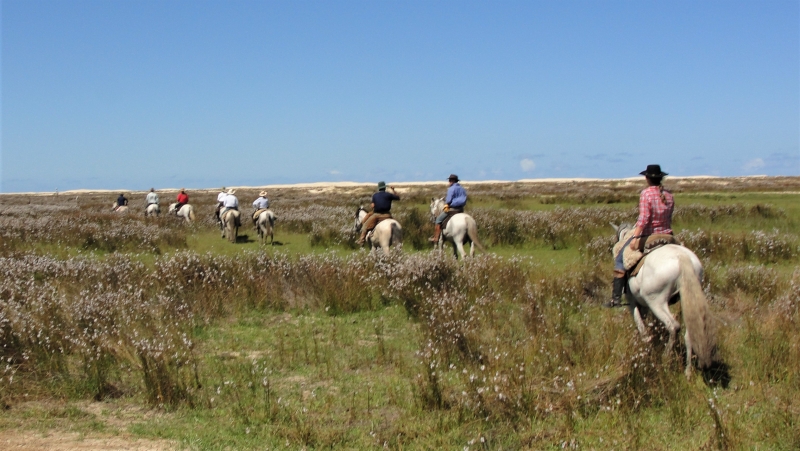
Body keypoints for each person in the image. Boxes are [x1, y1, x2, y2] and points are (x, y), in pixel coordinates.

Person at [604, 164, 674, 308]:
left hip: (649, 235)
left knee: (620, 258)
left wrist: (635, 237)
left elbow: (644, 219)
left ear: (647, 178)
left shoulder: (646, 194)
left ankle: (616, 299)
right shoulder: (669, 194)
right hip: (667, 235)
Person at [429, 174, 467, 243]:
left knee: (438, 219)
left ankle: (436, 238)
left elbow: (449, 200)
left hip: (453, 209)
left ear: (452, 181)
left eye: (449, 180)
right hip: (461, 209)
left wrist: (447, 203)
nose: (449, 182)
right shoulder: (462, 189)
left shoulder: (451, 189)